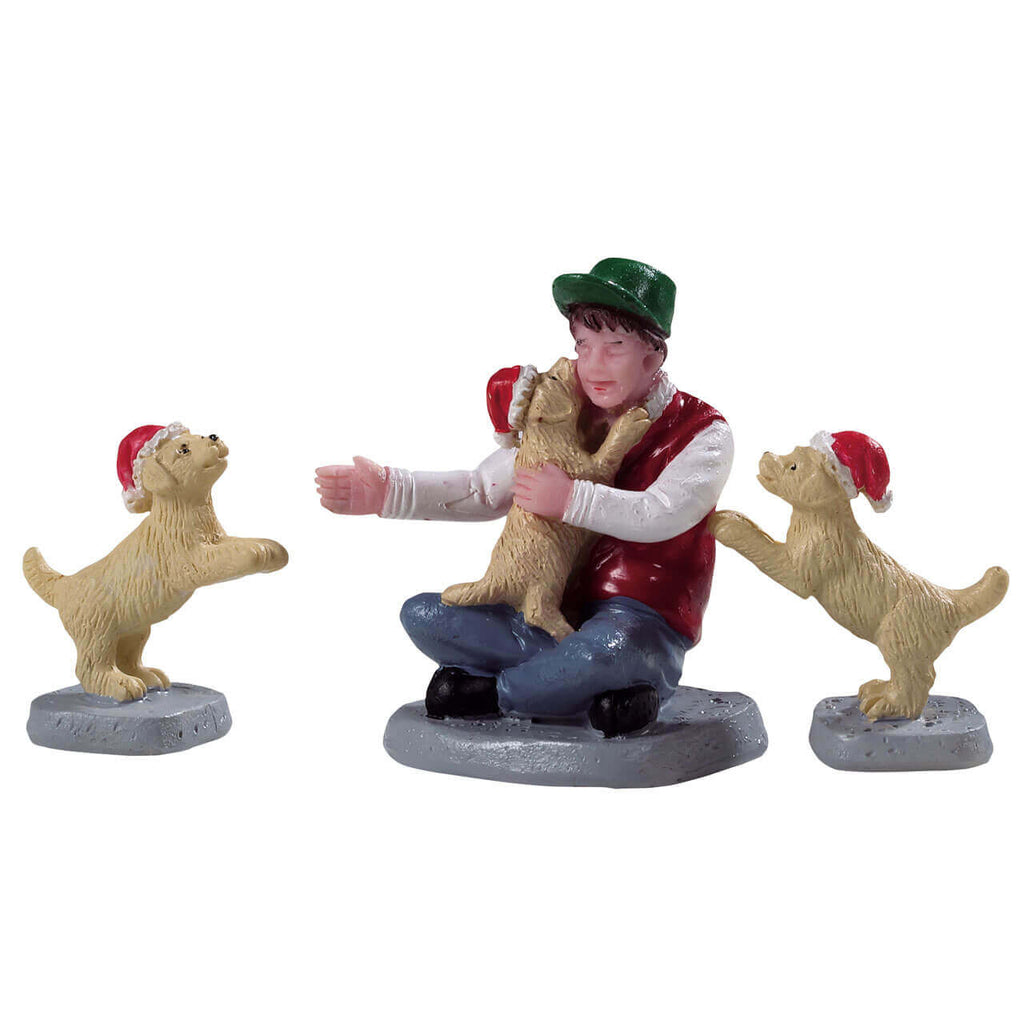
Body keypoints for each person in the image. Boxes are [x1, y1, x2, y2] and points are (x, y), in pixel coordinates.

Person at [316, 258, 733, 736]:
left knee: (605, 650)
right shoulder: (563, 408)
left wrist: (570, 499)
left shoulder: (704, 433)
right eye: (583, 345)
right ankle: (588, 682)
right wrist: (389, 491)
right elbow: (483, 489)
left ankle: (505, 691)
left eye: (614, 347)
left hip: (636, 615)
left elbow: (660, 514)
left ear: (653, 356)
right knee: (424, 614)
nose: (593, 365)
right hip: (543, 607)